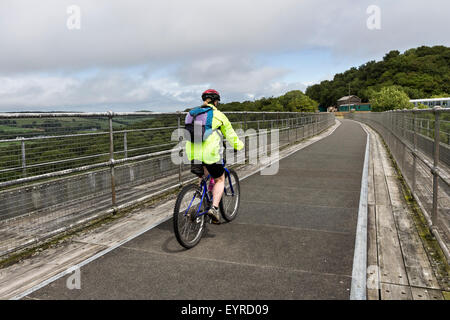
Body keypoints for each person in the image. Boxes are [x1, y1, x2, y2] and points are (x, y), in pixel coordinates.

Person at [185, 89, 244, 223]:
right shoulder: (218, 115)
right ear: (216, 101)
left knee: (204, 176)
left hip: (193, 153)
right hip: (210, 153)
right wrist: (238, 146)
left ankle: (201, 201)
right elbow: (230, 134)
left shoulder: (190, 114)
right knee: (219, 179)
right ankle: (214, 208)